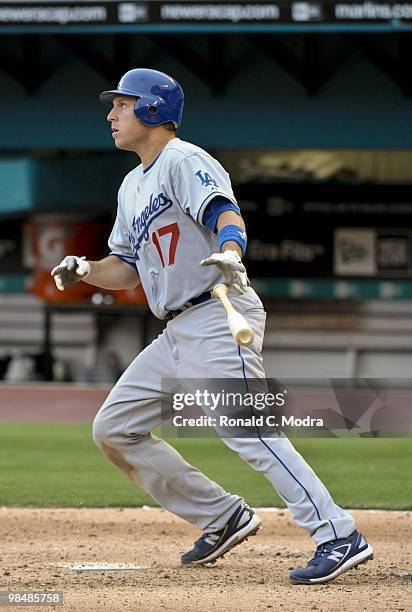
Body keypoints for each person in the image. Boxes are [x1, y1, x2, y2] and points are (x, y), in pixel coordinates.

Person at [51, 68, 373, 584]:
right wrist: (88, 270)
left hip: (216, 310)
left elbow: (224, 211)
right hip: (176, 329)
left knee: (248, 431)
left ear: (153, 110)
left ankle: (338, 533)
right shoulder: (132, 185)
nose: (111, 114)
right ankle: (221, 516)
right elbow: (126, 268)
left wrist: (229, 251)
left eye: (122, 104)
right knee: (114, 427)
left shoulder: (185, 159)